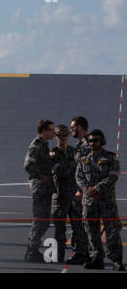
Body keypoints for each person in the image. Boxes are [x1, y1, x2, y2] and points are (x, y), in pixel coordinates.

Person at [76, 129, 125, 271]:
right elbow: (79, 178)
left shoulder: (110, 158)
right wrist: (88, 190)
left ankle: (116, 259)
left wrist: (97, 189)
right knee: (91, 231)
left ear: (102, 141)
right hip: (89, 202)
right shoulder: (83, 160)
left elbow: (113, 176)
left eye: (95, 140)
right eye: (90, 141)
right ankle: (96, 258)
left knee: (112, 231)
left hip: (106, 202)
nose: (92, 143)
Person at [50, 125, 87, 262]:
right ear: (56, 137)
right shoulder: (53, 153)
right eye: (60, 136)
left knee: (78, 226)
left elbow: (80, 169)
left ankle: (79, 253)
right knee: (59, 229)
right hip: (60, 196)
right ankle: (58, 255)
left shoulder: (73, 151)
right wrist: (72, 170)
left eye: (65, 135)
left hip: (74, 195)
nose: (63, 138)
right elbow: (58, 170)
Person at [24, 119, 55, 262]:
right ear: (44, 130)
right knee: (40, 220)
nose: (53, 132)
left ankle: (33, 249)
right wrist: (41, 176)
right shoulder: (36, 145)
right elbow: (28, 165)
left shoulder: (44, 145)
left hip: (45, 189)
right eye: (51, 129)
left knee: (44, 221)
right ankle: (32, 250)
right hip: (40, 188)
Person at [66, 116, 90, 264]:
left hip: (80, 192)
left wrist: (81, 190)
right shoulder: (82, 145)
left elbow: (87, 170)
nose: (71, 130)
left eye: (73, 127)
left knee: (79, 223)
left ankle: (80, 252)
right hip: (77, 190)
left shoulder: (86, 146)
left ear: (79, 127)